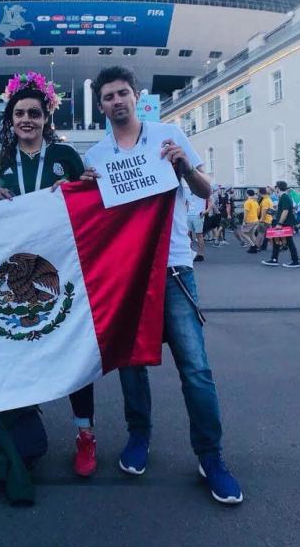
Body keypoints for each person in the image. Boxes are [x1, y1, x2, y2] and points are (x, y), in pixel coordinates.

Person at [83, 66, 242, 504]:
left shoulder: (168, 134)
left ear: (137, 96)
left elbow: (205, 190)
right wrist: (85, 190)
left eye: (123, 94)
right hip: (126, 274)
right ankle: (139, 435)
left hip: (173, 269)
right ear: (100, 106)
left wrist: (184, 167)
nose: (117, 101)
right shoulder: (96, 157)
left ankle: (211, 455)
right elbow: (93, 217)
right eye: (108, 97)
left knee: (195, 368)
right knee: (130, 363)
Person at [0, 72, 94, 477]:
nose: (26, 119)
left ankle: (85, 434)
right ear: (10, 121)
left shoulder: (65, 156)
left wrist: (82, 187)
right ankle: (21, 433)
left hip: (63, 269)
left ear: (46, 118)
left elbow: (89, 203)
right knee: (18, 350)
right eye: (19, 114)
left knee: (76, 351)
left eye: (34, 113)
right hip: (16, 269)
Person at [261, 181, 300, 268]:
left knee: (289, 242)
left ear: (278, 188)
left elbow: (285, 211)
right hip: (286, 222)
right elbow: (284, 210)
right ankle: (274, 259)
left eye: (276, 187)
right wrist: (274, 212)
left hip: (285, 223)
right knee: (277, 240)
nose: (275, 189)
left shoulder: (284, 197)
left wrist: (279, 223)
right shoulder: (285, 196)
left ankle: (295, 261)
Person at [240, 189, 260, 253]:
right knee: (252, 234)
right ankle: (256, 247)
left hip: (249, 220)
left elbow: (246, 213)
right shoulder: (255, 202)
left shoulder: (247, 202)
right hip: (256, 219)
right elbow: (258, 211)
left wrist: (244, 221)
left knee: (243, 233)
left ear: (247, 194)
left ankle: (253, 246)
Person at [257, 187, 274, 251]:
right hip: (269, 219)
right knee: (269, 234)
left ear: (260, 192)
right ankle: (277, 246)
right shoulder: (268, 199)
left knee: (260, 233)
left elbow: (264, 211)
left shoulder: (265, 200)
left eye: (258, 192)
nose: (257, 193)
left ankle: (257, 247)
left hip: (265, 220)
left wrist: (261, 220)